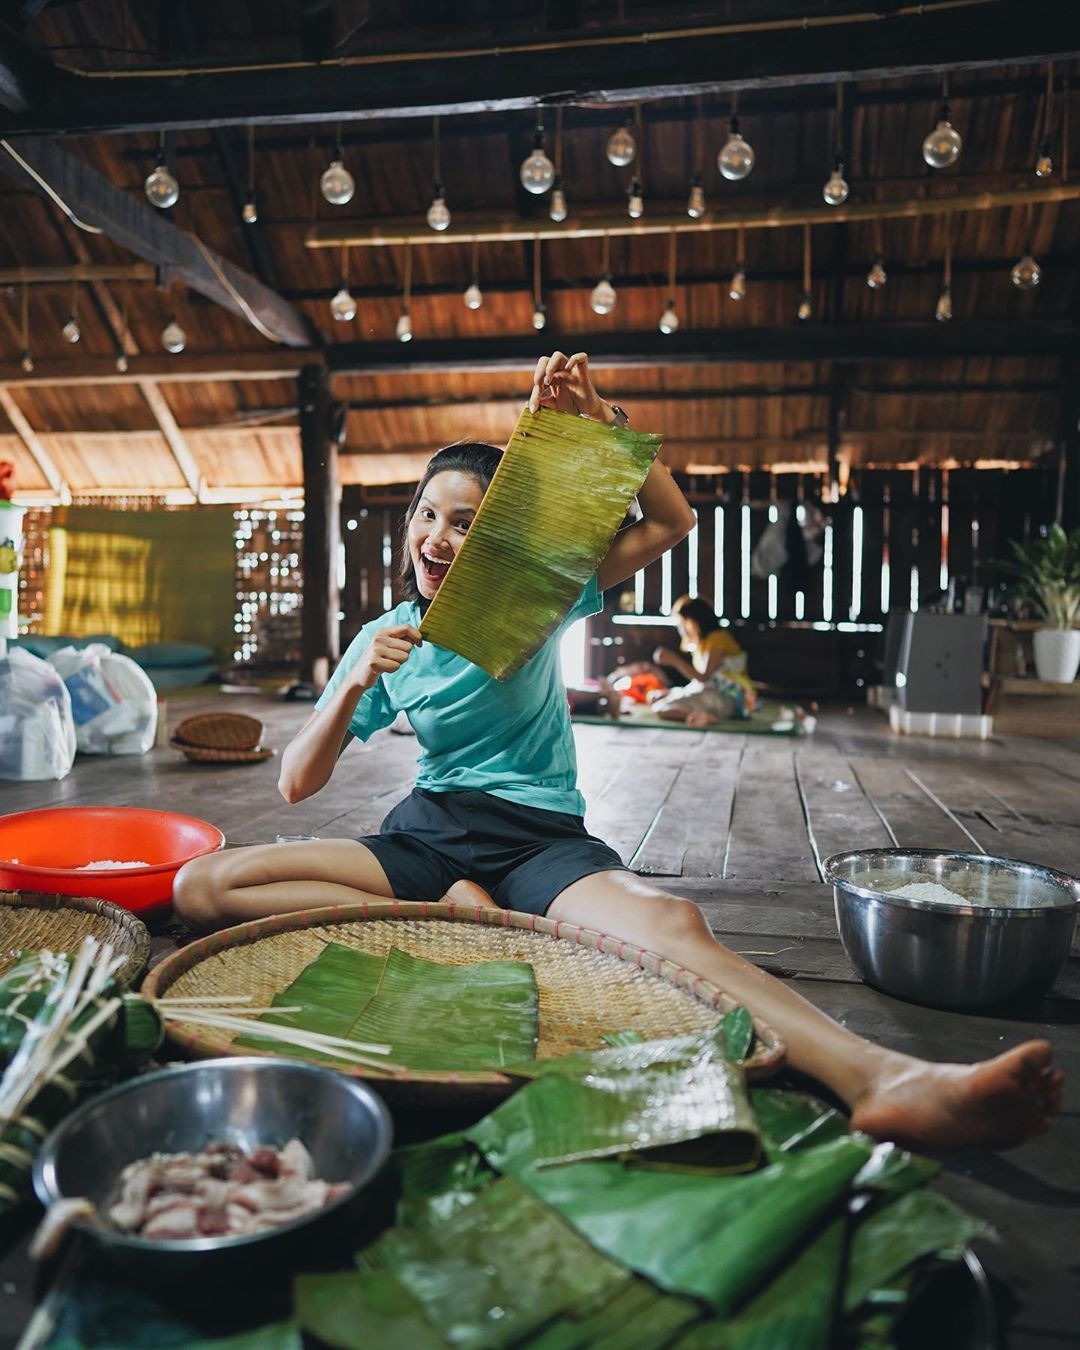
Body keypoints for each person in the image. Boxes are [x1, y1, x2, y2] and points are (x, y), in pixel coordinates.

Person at [174, 351, 1062, 1153]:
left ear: (497, 539)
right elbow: (295, 784)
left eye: (466, 523)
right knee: (203, 886)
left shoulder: (538, 592)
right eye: (428, 516)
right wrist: (355, 682)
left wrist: (601, 421)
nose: (438, 538)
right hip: (428, 836)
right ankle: (448, 910)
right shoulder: (385, 637)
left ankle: (882, 1078)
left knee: (672, 927)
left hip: (539, 839)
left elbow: (672, 521)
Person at [650, 595, 756, 726]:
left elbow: (704, 678)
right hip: (713, 693)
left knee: (661, 708)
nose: (681, 629)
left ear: (694, 622)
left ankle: (701, 716)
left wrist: (674, 660)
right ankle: (699, 714)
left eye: (682, 624)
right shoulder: (703, 644)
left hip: (729, 699)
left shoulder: (717, 639)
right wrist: (672, 692)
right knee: (655, 698)